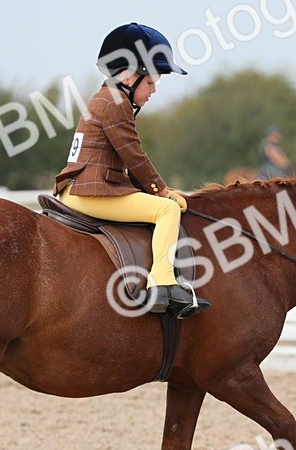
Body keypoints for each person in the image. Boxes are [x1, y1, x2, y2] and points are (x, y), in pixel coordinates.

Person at [53, 23, 209, 317]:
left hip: (81, 187)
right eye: (150, 82)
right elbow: (134, 156)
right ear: (129, 76)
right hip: (91, 191)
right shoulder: (115, 103)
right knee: (167, 211)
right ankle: (162, 283)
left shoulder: (106, 98)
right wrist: (163, 192)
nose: (153, 91)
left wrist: (156, 190)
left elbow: (128, 160)